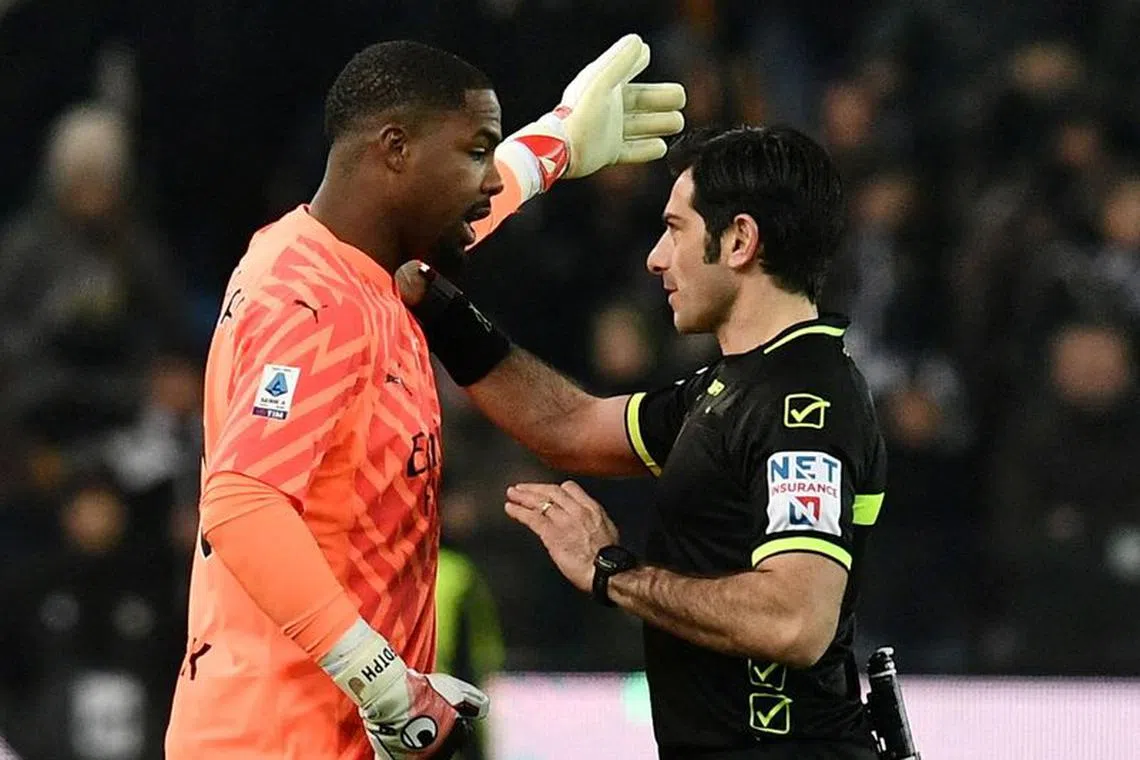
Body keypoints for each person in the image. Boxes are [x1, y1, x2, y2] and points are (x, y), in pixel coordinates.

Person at [163, 35, 685, 760]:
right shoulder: (309, 301)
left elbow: (471, 208)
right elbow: (243, 503)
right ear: (395, 150)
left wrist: (559, 140)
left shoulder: (365, 266)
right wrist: (382, 683)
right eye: (476, 152)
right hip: (277, 736)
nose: (488, 183)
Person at [398, 126, 887, 759]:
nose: (657, 257)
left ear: (739, 240)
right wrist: (438, 307)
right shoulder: (731, 388)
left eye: (676, 230)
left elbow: (793, 620)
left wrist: (613, 573)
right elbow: (569, 426)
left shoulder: (804, 409)